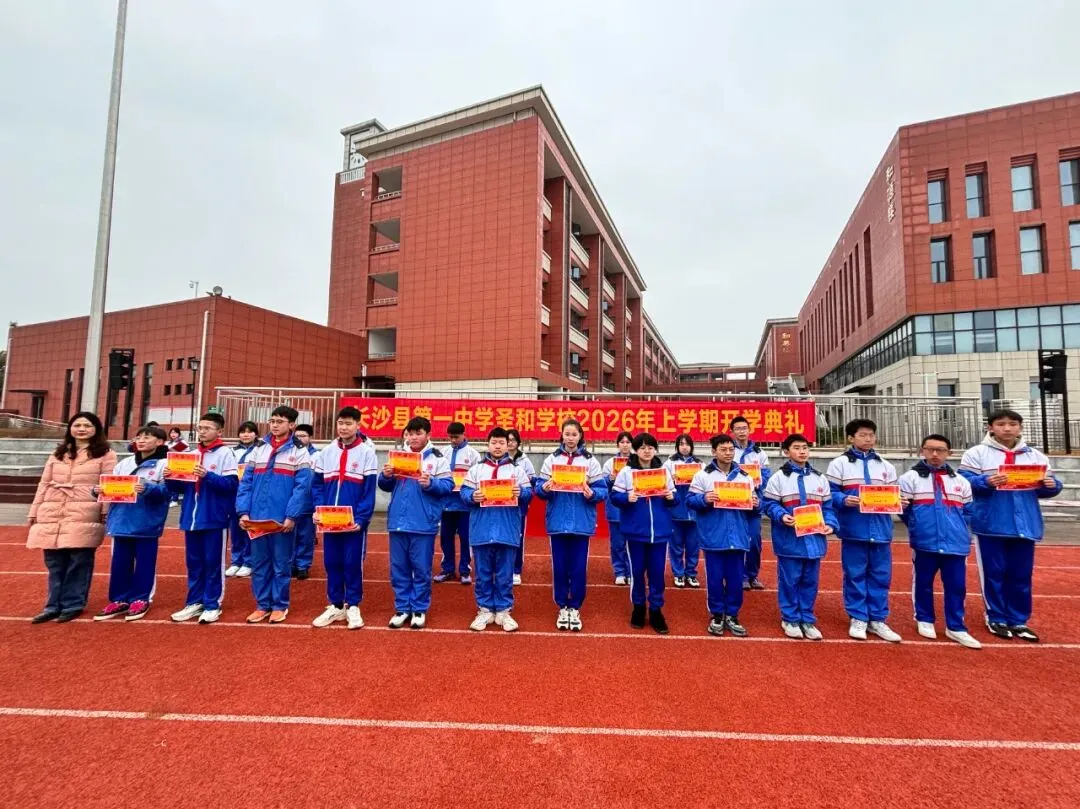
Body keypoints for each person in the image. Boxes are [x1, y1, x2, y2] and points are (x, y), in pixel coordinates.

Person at [959, 409, 1062, 642]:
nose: (1007, 428)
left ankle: (1018, 620)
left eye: (1013, 424)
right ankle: (995, 616)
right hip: (991, 523)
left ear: (1020, 427)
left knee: (1021, 575)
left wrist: (1052, 485)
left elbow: (1048, 487)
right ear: (990, 427)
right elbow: (963, 482)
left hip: (1025, 524)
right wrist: (985, 481)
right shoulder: (977, 454)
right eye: (1001, 424)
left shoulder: (1035, 456)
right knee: (993, 573)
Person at [27, 412, 117, 624]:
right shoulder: (59, 453)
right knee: (54, 561)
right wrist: (34, 510)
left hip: (84, 511)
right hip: (53, 510)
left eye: (87, 425)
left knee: (79, 560)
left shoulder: (106, 454)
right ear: (70, 428)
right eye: (77, 425)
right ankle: (52, 605)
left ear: (96, 429)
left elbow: (109, 483)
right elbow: (44, 483)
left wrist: (105, 510)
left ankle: (73, 603)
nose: (82, 429)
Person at [899, 434, 981, 649]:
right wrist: (918, 526)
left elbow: (968, 512)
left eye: (941, 450)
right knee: (923, 582)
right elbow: (904, 510)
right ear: (922, 451)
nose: (935, 454)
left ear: (949, 453)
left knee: (957, 586)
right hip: (924, 542)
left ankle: (956, 626)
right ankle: (924, 619)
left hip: (956, 543)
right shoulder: (909, 478)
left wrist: (958, 530)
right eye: (930, 449)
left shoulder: (960, 481)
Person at [235, 405, 314, 624]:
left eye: (280, 421)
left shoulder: (299, 452)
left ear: (292, 425)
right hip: (256, 519)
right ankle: (262, 605)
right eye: (272, 421)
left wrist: (291, 516)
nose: (275, 425)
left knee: (281, 565)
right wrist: (243, 512)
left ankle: (280, 605)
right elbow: (245, 483)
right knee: (260, 564)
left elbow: (302, 488)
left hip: (281, 520)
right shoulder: (258, 449)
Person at [827, 418, 902, 643]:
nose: (868, 439)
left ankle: (877, 619)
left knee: (881, 575)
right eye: (862, 435)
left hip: (881, 529)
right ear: (851, 438)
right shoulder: (839, 464)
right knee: (855, 574)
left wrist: (898, 502)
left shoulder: (886, 466)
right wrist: (843, 499)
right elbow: (829, 493)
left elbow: (894, 494)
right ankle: (858, 617)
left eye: (871, 435)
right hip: (854, 528)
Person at [377, 416, 453, 628]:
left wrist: (431, 483)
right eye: (410, 434)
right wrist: (386, 476)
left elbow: (448, 486)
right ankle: (402, 608)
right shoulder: (398, 456)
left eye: (418, 433)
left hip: (423, 523)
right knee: (398, 568)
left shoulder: (437, 459)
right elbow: (384, 486)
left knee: (421, 568)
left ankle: (419, 609)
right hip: (398, 521)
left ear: (428, 435)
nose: (413, 438)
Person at [762, 433, 838, 640]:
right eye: (797, 448)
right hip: (790, 541)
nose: (802, 451)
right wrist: (781, 515)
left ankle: (807, 618)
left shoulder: (819, 477)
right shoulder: (778, 478)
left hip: (814, 540)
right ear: (786, 452)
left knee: (809, 582)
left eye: (805, 447)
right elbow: (768, 504)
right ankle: (790, 618)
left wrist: (831, 524)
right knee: (790, 581)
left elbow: (828, 507)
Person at [534, 419, 608, 632]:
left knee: (578, 568)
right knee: (559, 567)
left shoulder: (590, 461)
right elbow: (539, 488)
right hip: (557, 521)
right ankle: (561, 606)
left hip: (581, 522)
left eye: (574, 434)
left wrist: (592, 493)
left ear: (580, 436)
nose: (570, 438)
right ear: (561, 435)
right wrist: (545, 488)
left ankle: (574, 607)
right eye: (567, 434)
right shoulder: (552, 459)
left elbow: (602, 490)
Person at [165, 412, 239, 625]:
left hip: (214, 517)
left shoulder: (225, 453)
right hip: (191, 517)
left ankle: (212, 604)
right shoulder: (190, 454)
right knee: (194, 563)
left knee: (213, 562)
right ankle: (194, 602)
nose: (202, 431)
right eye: (200, 428)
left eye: (208, 428)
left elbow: (231, 485)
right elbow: (179, 489)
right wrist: (170, 478)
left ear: (219, 431)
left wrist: (207, 475)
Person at [310, 407, 378, 630]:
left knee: (352, 562)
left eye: (349, 423)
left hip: (353, 522)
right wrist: (319, 510)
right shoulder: (326, 452)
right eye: (341, 423)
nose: (344, 427)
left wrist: (362, 518)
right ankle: (336, 604)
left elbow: (368, 490)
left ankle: (353, 605)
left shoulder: (367, 453)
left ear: (358, 425)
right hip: (329, 520)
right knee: (331, 562)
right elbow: (317, 485)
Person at [94, 425, 170, 622]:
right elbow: (112, 488)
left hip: (147, 522)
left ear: (160, 442)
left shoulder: (164, 464)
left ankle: (141, 598)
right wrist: (99, 491)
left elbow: (168, 493)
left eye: (147, 437)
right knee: (119, 563)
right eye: (139, 437)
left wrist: (148, 488)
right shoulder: (125, 463)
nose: (141, 440)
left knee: (145, 563)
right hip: (121, 520)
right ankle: (119, 599)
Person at [460, 427, 533, 631]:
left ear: (508, 445)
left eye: (502, 443)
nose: (498, 446)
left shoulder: (517, 470)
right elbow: (464, 492)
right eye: (494, 442)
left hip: (507, 529)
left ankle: (503, 610)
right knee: (483, 573)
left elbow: (529, 494)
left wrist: (521, 492)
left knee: (504, 573)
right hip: (482, 529)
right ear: (488, 444)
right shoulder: (476, 469)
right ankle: (484, 609)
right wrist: (472, 496)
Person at [687, 434, 756, 637]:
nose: (728, 453)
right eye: (723, 449)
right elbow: (690, 501)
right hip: (714, 536)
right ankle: (717, 615)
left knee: (735, 579)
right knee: (715, 579)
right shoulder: (703, 475)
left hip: (738, 537)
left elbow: (755, 509)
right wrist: (704, 499)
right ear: (714, 452)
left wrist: (756, 503)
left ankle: (732, 615)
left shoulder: (745, 477)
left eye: (731, 449)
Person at [609, 433, 676, 634]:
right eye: (642, 447)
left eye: (650, 447)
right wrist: (626, 497)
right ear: (635, 450)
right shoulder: (627, 471)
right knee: (637, 572)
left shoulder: (663, 471)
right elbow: (614, 496)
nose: (646, 451)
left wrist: (671, 497)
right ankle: (638, 607)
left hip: (660, 532)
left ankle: (656, 610)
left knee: (657, 573)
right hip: (635, 531)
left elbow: (674, 500)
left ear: (656, 450)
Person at [435, 421, 481, 584]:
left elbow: (478, 477)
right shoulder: (442, 453)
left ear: (463, 435)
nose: (453, 440)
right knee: (446, 538)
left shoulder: (473, 454)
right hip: (446, 504)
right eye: (450, 437)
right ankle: (447, 569)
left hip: (465, 505)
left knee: (466, 539)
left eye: (456, 437)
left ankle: (464, 570)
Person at [729, 416, 772, 590]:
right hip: (734, 503)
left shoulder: (759, 453)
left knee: (754, 541)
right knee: (734, 542)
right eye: (738, 429)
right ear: (732, 432)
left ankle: (752, 575)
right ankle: (738, 576)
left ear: (749, 430)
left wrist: (758, 483)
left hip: (754, 503)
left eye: (744, 428)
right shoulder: (728, 450)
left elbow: (766, 475)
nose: (741, 431)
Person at [663, 433, 702, 588]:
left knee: (693, 547)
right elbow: (662, 484)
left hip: (694, 512)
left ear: (691, 446)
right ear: (677, 446)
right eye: (681, 444)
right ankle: (678, 574)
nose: (684, 447)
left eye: (687, 444)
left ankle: (691, 574)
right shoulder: (669, 463)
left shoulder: (700, 464)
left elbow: (705, 485)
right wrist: (671, 480)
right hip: (675, 512)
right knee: (676, 546)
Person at [225, 421, 262, 578]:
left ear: (256, 434)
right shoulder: (231, 451)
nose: (246, 435)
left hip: (252, 494)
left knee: (249, 528)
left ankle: (248, 562)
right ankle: (236, 561)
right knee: (235, 530)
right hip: (235, 494)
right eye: (242, 432)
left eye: (249, 431)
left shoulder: (261, 450)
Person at [601, 431, 633, 586]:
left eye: (628, 442)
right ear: (618, 444)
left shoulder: (637, 461)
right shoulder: (610, 463)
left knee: (633, 542)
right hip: (615, 509)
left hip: (633, 508)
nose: (625, 445)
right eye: (622, 442)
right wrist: (609, 479)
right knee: (617, 543)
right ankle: (620, 571)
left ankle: (632, 571)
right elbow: (601, 483)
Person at [291, 423, 320, 580]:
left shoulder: (317, 456)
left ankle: (303, 565)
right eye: (297, 436)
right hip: (291, 502)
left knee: (306, 537)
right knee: (290, 535)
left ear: (310, 438)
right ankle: (291, 564)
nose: (300, 438)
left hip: (308, 502)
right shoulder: (290, 452)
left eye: (303, 436)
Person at [507, 429, 535, 586]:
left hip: (519, 506)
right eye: (507, 440)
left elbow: (532, 481)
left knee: (518, 538)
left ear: (518, 442)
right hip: (501, 506)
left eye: (513, 440)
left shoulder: (525, 461)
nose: (510, 443)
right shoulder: (498, 460)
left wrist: (520, 490)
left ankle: (516, 570)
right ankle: (503, 569)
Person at [166, 427, 188, 508]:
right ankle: (171, 499)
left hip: (180, 465)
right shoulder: (169, 443)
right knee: (170, 481)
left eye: (175, 432)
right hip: (170, 464)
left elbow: (173, 451)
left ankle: (175, 500)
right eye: (171, 433)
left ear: (179, 434)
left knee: (176, 481)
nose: (173, 434)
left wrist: (167, 450)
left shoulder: (183, 442)